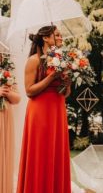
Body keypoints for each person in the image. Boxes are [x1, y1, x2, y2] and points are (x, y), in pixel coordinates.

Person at [17, 26, 72, 193]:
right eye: (57, 35)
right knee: (40, 153)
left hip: (57, 111)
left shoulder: (62, 60)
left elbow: (66, 93)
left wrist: (67, 82)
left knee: (56, 153)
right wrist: (51, 77)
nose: (61, 37)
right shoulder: (34, 60)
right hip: (40, 112)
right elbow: (29, 91)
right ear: (46, 39)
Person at [0, 61, 21, 193]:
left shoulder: (6, 74)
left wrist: (7, 93)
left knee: (5, 155)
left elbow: (17, 99)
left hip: (6, 120)